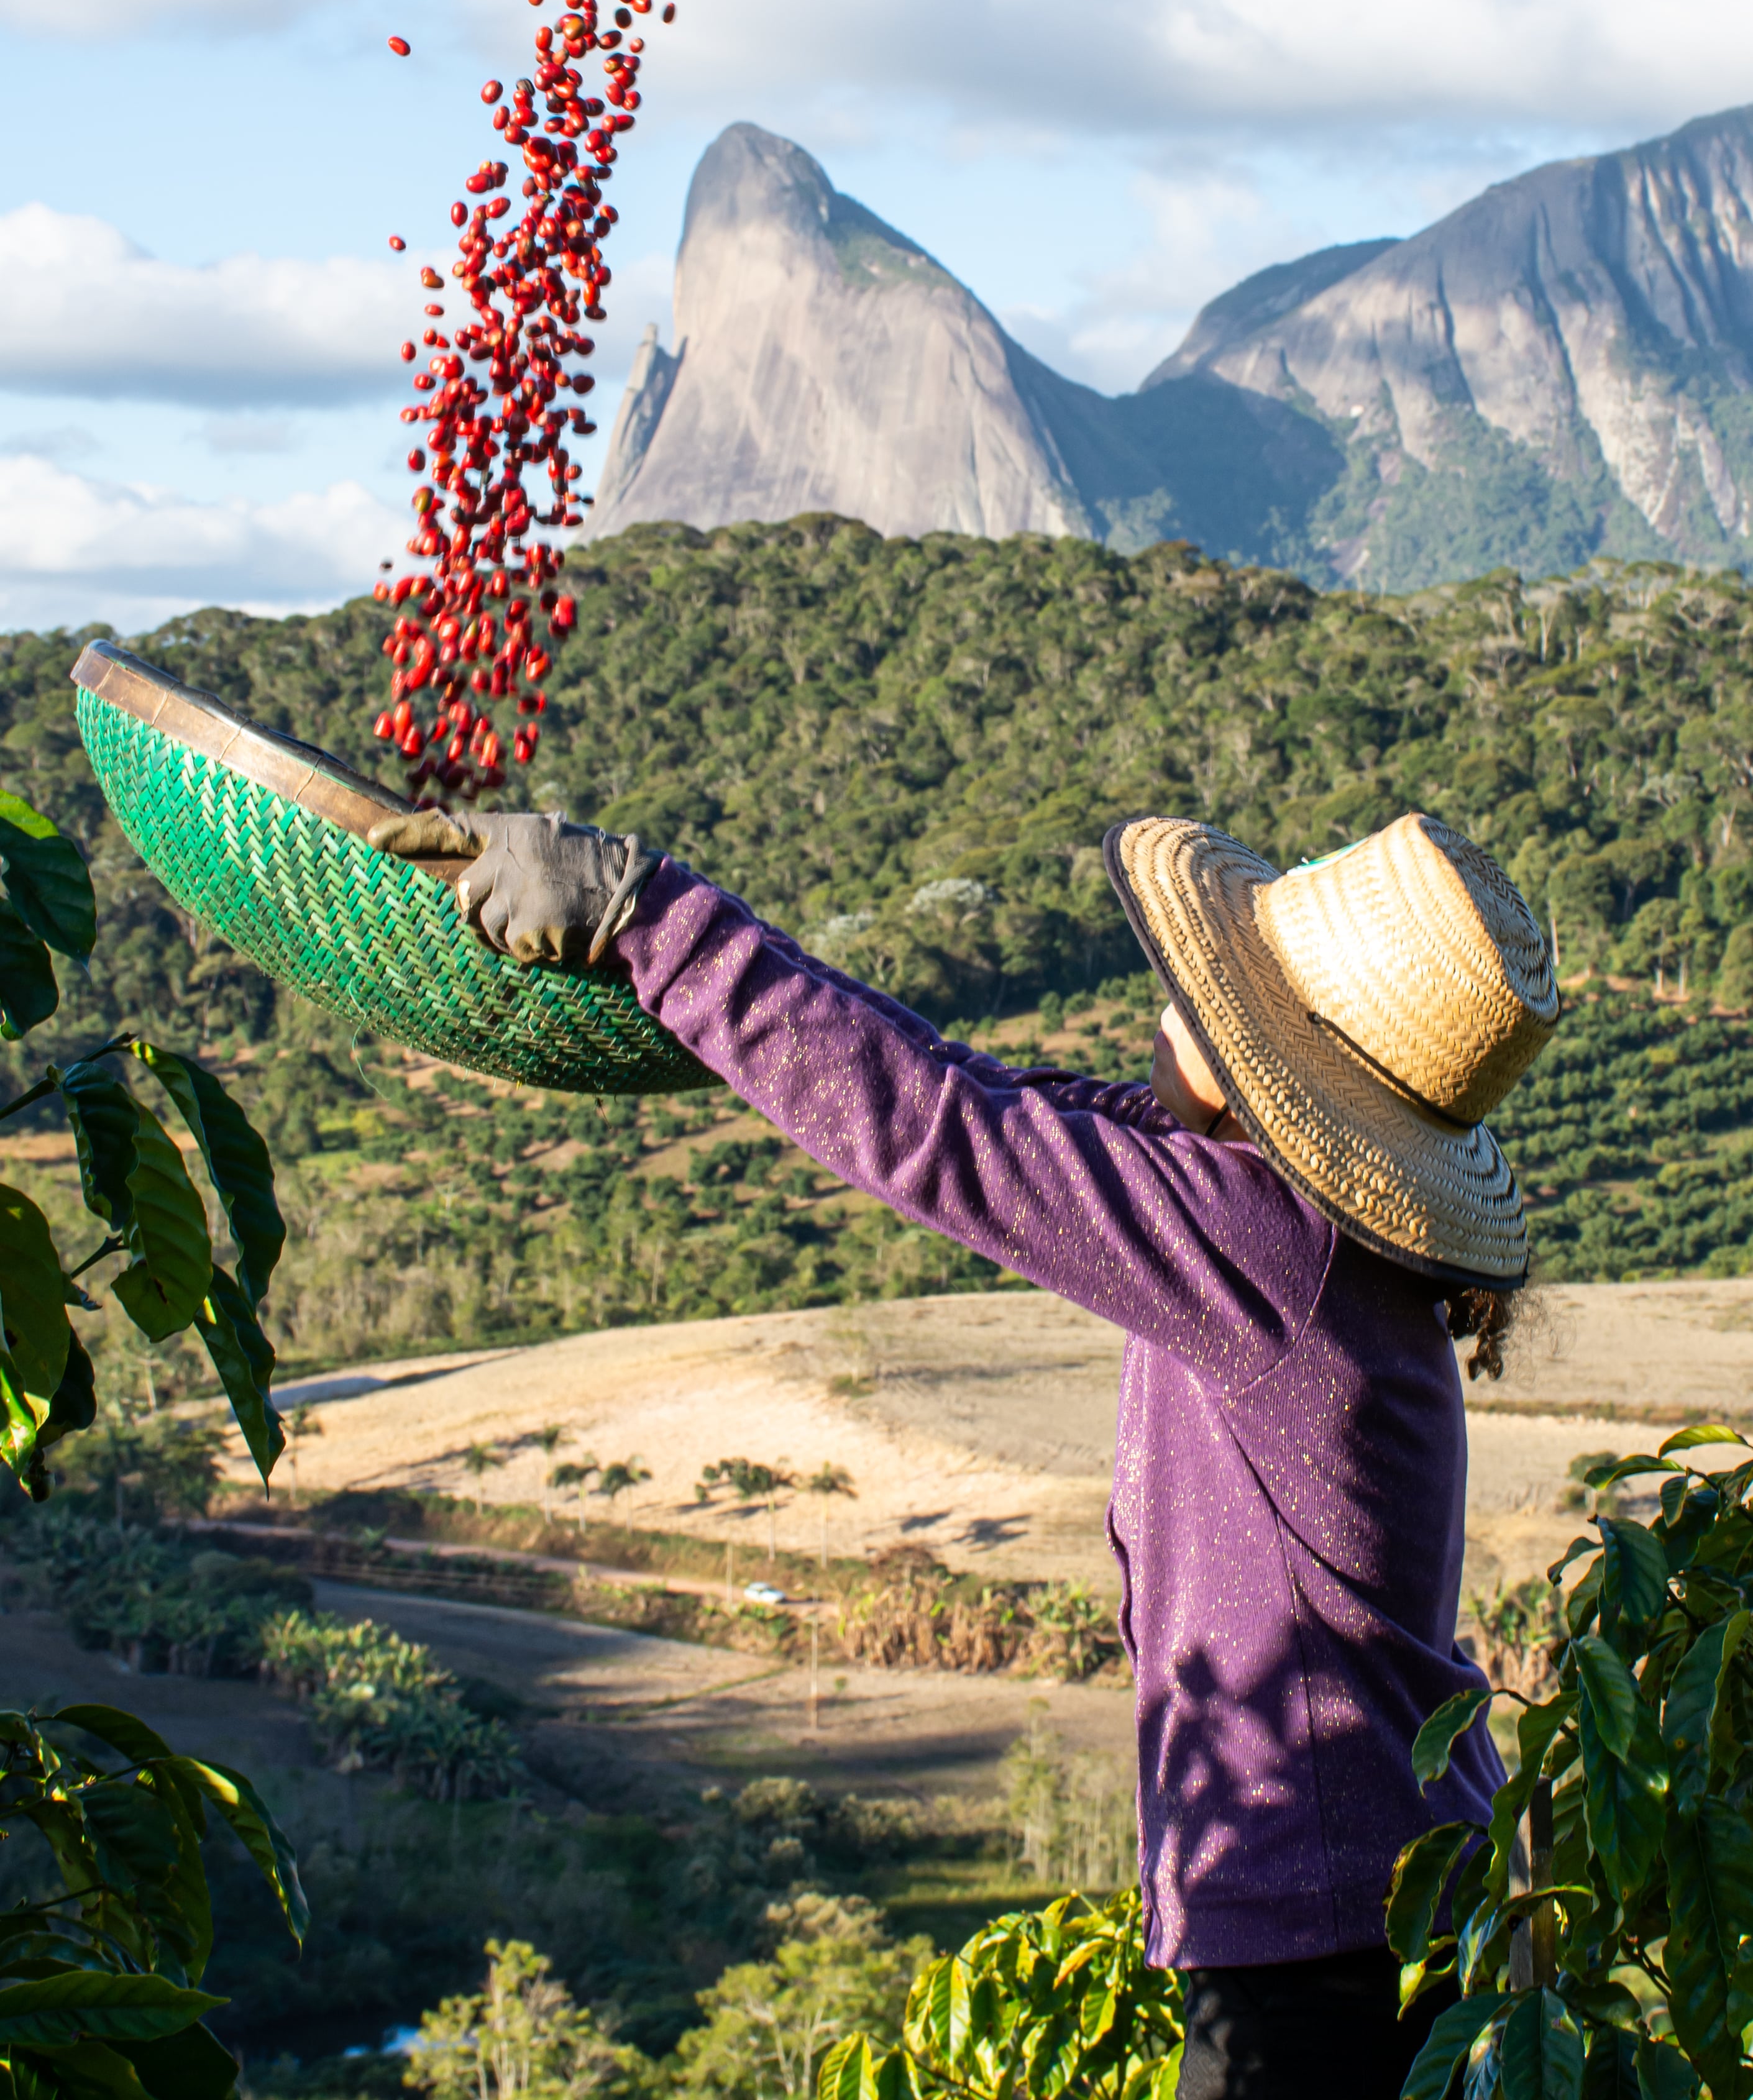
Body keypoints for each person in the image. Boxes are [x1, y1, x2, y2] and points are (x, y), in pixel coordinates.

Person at [370, 799, 1558, 2100]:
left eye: (1209, 987)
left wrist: (650, 911)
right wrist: (673, 959)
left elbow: (948, 1137)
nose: (1168, 995)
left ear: (1276, 1064)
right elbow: (971, 1090)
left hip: (1319, 1937)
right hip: (1383, 1897)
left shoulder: (1268, 1242)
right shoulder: (1299, 1224)